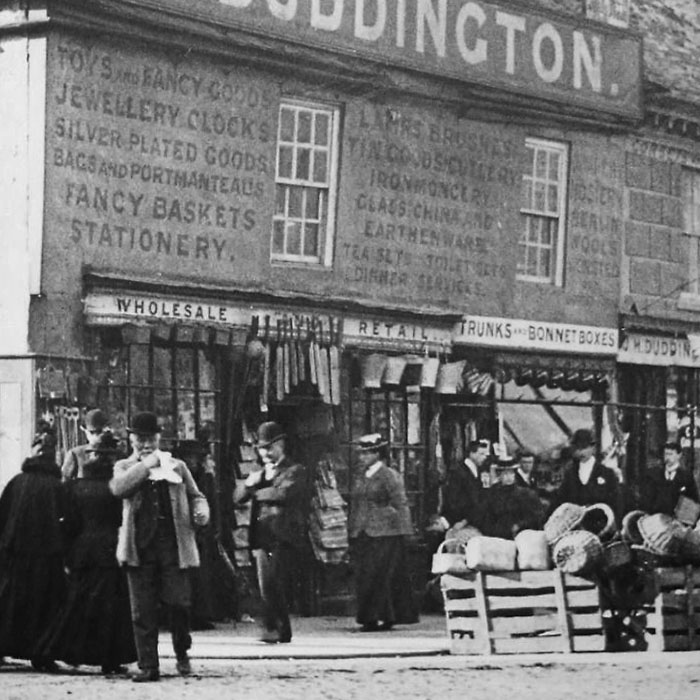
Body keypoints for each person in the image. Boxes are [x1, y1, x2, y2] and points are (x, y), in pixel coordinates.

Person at [109, 411, 210, 682]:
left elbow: (196, 496)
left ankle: (181, 651)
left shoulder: (176, 466)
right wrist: (146, 465)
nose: (145, 444)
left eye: (150, 438)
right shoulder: (123, 466)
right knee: (142, 610)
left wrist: (201, 511)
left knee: (178, 603)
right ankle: (148, 666)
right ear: (131, 439)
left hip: (172, 545)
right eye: (140, 439)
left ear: (158, 437)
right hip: (138, 547)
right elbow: (119, 489)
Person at [38, 432, 137, 674]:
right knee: (111, 607)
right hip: (110, 549)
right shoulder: (115, 489)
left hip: (83, 550)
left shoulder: (75, 487)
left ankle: (52, 650)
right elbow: (121, 518)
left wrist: (70, 551)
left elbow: (69, 523)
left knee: (76, 603)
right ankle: (109, 658)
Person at [0, 424, 67, 672]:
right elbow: (69, 520)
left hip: (15, 555)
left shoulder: (16, 482)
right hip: (47, 557)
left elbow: (3, 516)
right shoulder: (56, 486)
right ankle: (42, 654)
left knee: (10, 604)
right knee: (46, 607)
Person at [242, 421, 310, 644]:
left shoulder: (295, 470)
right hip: (261, 535)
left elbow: (284, 493)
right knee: (264, 584)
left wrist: (255, 489)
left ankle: (279, 628)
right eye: (262, 449)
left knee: (275, 582)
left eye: (269, 448)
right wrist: (247, 486)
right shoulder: (259, 472)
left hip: (283, 535)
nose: (265, 453)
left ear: (281, 445)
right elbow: (236, 497)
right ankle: (274, 628)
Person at [348, 433, 418, 632]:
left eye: (367, 453)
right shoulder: (362, 476)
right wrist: (352, 529)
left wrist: (406, 531)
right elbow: (357, 503)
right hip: (363, 531)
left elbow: (401, 503)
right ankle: (371, 617)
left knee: (380, 575)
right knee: (365, 575)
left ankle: (382, 617)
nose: (362, 457)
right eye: (361, 454)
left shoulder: (389, 475)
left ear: (378, 454)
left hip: (386, 531)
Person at [552, 428, 620, 518]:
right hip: (576, 525)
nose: (581, 452)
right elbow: (560, 500)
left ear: (593, 448)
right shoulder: (570, 473)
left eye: (584, 447)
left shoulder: (607, 473)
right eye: (577, 448)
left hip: (600, 524)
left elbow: (616, 502)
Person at [480, 456, 546, 539]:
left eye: (511, 473)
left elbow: (536, 517)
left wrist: (519, 526)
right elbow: (486, 518)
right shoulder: (492, 494)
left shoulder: (525, 494)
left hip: (521, 536)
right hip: (497, 536)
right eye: (505, 473)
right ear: (499, 475)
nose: (509, 477)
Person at [439, 439, 490, 532]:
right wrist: (463, 520)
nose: (484, 457)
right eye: (481, 454)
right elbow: (453, 500)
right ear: (472, 454)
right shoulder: (459, 472)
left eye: (485, 454)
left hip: (473, 519)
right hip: (458, 521)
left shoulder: (479, 471)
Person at [640, 441, 700, 516]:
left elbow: (694, 502)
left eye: (671, 454)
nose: (667, 457)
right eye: (666, 454)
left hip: (677, 521)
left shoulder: (686, 477)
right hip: (656, 519)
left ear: (679, 455)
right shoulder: (654, 475)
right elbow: (647, 499)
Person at [62, 408, 110, 481]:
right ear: (85, 431)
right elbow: (64, 483)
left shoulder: (115, 454)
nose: (98, 436)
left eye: (101, 432)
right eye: (93, 432)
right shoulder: (76, 454)